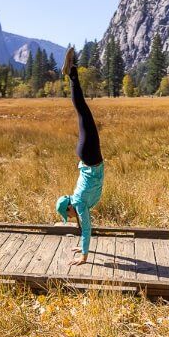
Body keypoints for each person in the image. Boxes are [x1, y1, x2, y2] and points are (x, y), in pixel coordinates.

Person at [56, 47, 105, 266]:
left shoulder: (79, 204)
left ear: (69, 207)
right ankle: (72, 72)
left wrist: (84, 257)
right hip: (87, 157)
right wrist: (81, 246)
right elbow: (82, 227)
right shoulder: (77, 200)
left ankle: (71, 73)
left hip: (90, 156)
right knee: (83, 112)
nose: (72, 217)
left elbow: (86, 228)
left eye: (68, 215)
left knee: (83, 111)